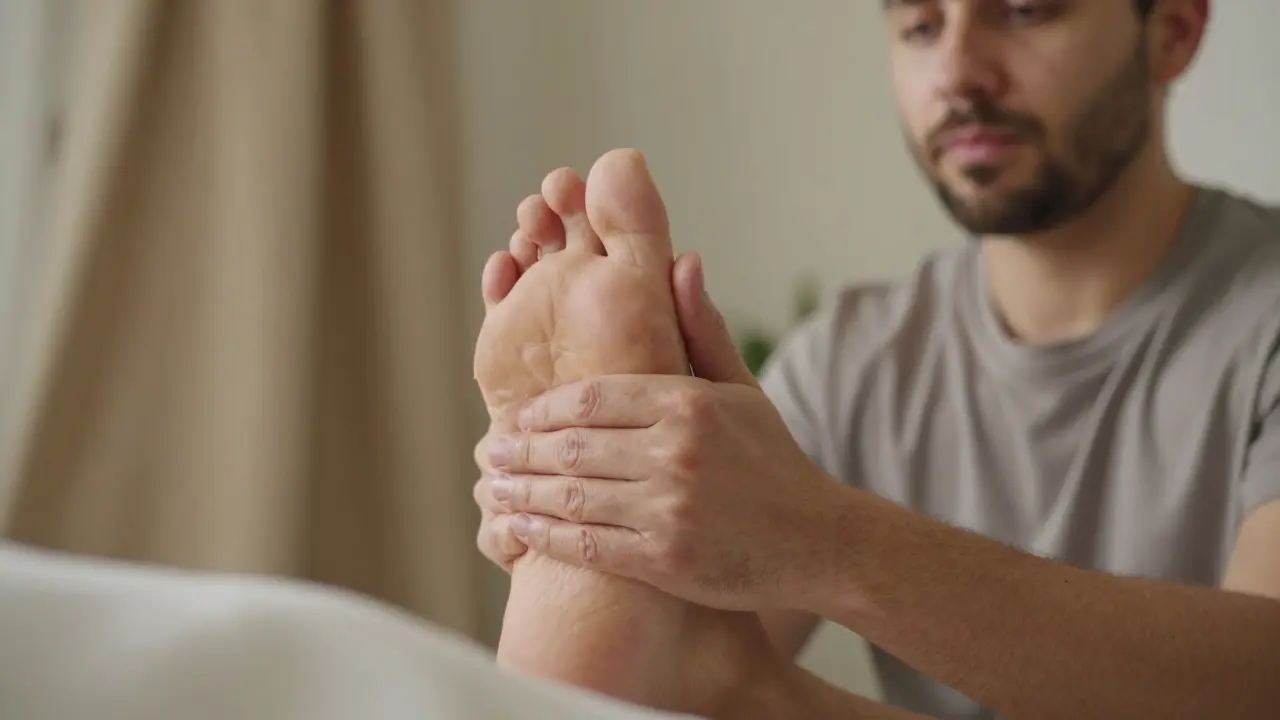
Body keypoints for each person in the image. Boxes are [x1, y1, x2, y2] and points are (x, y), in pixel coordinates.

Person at [474, 1, 1280, 718]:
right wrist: (592, 504)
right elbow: (695, 614)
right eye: (922, 26)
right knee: (673, 637)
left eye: (1027, 12)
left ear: (1172, 33)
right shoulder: (854, 355)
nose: (960, 72)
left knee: (733, 689)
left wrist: (826, 538)